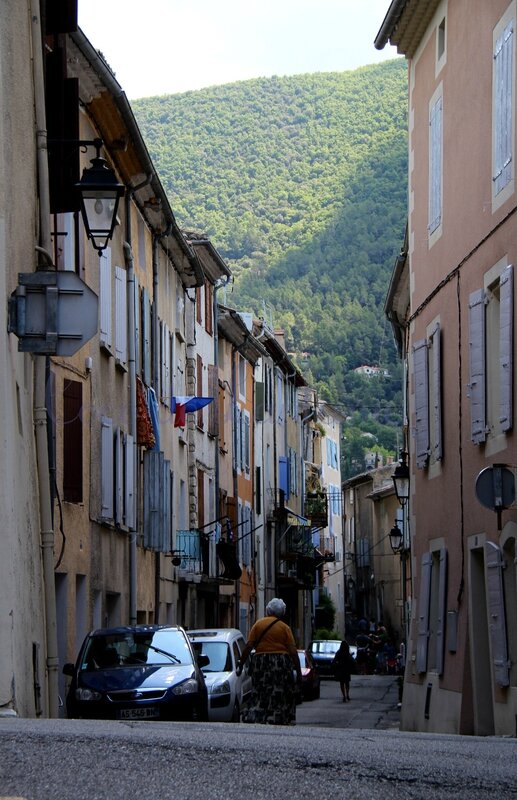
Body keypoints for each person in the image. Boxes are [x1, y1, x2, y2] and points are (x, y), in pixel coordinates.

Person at [237, 598, 302, 725]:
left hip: (261, 662)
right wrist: (298, 672)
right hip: (280, 663)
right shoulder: (285, 628)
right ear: (282, 612)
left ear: (268, 611)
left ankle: (258, 714)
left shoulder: (258, 625)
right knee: (281, 690)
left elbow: (249, 646)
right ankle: (280, 716)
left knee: (260, 690)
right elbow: (293, 651)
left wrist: (241, 663)